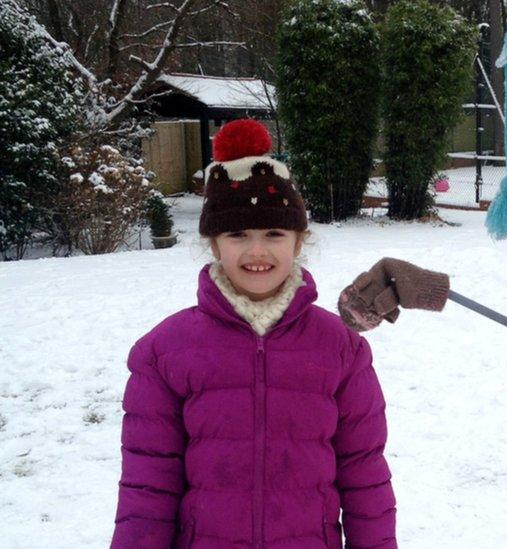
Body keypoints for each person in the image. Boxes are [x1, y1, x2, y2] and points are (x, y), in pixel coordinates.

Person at [110, 119, 405, 548]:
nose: (257, 251)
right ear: (214, 244)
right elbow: (147, 486)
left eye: (273, 233)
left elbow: (365, 474)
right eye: (237, 235)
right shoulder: (164, 352)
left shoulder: (340, 350)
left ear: (298, 241)